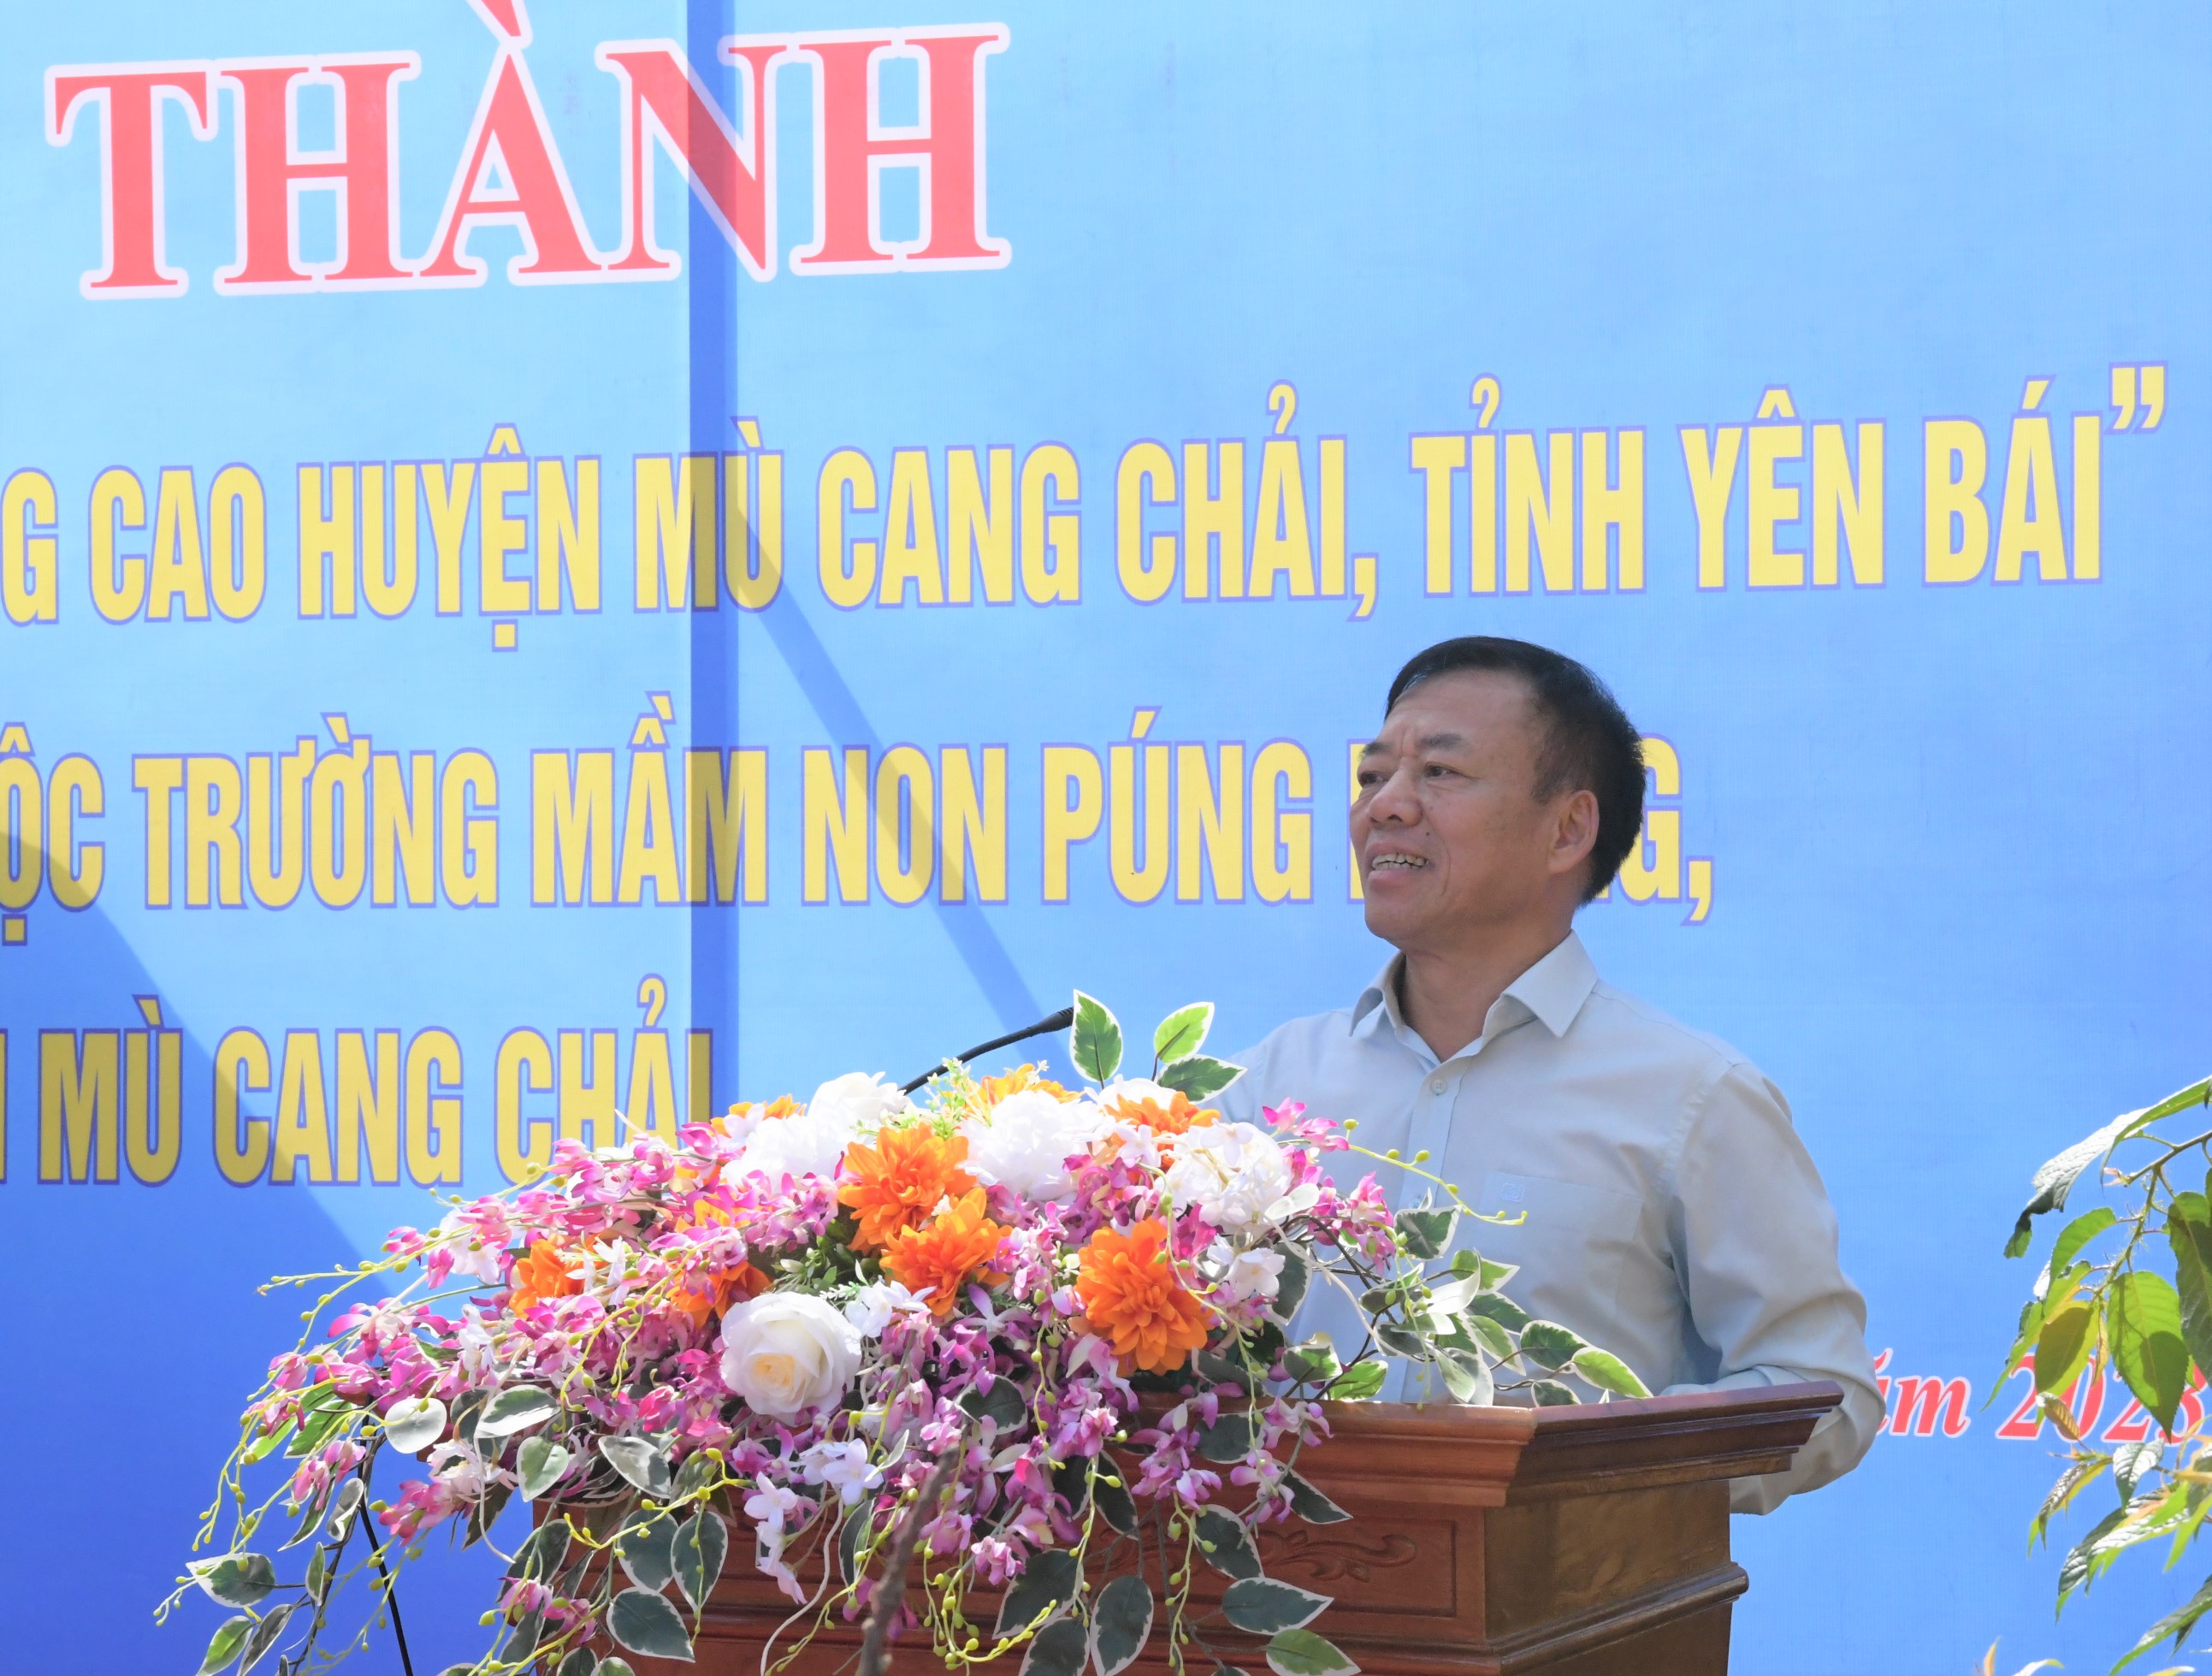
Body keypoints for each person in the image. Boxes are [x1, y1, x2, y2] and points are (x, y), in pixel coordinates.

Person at [1221, 636, 1880, 1513]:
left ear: (1568, 829)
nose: (1386, 805)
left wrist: (1594, 1476)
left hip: (1569, 1588)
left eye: (1440, 773)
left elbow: (1824, 1390)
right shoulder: (1264, 1086)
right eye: (1373, 776)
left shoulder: (1691, 1097)